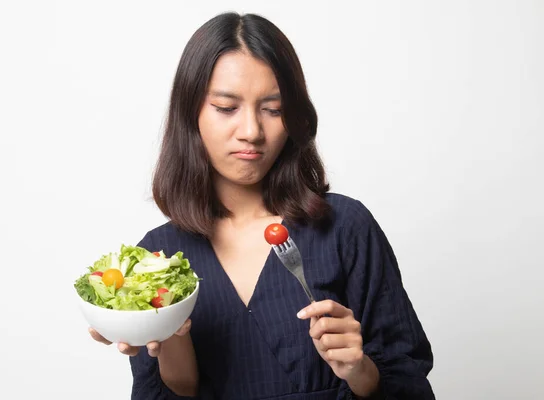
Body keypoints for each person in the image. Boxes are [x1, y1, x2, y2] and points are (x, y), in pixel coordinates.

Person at [89, 12, 435, 400]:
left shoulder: (345, 227)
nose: (252, 131)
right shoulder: (157, 258)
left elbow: (409, 384)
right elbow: (177, 391)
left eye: (272, 109)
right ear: (192, 114)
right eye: (225, 107)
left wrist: (360, 370)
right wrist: (167, 334)